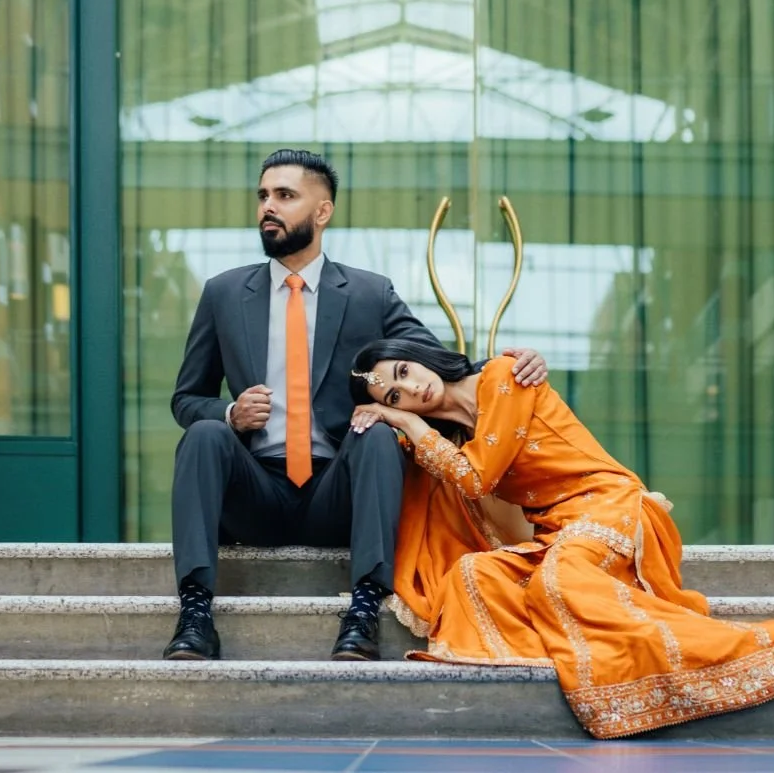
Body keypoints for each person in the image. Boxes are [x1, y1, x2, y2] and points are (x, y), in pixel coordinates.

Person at [346, 338, 774, 739]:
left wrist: (407, 426)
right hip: (558, 532)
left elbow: (476, 479)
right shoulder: (450, 443)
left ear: (418, 356)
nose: (410, 389)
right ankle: (582, 653)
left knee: (558, 581)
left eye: (403, 372)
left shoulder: (502, 376)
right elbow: (469, 494)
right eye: (394, 396)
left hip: (610, 505)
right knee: (474, 574)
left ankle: (752, 647)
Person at [165, 149, 549, 662]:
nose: (267, 208)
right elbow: (187, 398)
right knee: (204, 434)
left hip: (338, 493)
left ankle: (365, 609)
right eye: (262, 196)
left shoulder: (369, 293)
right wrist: (229, 415)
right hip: (255, 492)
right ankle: (194, 614)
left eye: (284, 196)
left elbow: (433, 362)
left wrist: (507, 367)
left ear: (321, 213)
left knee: (376, 432)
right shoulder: (223, 293)